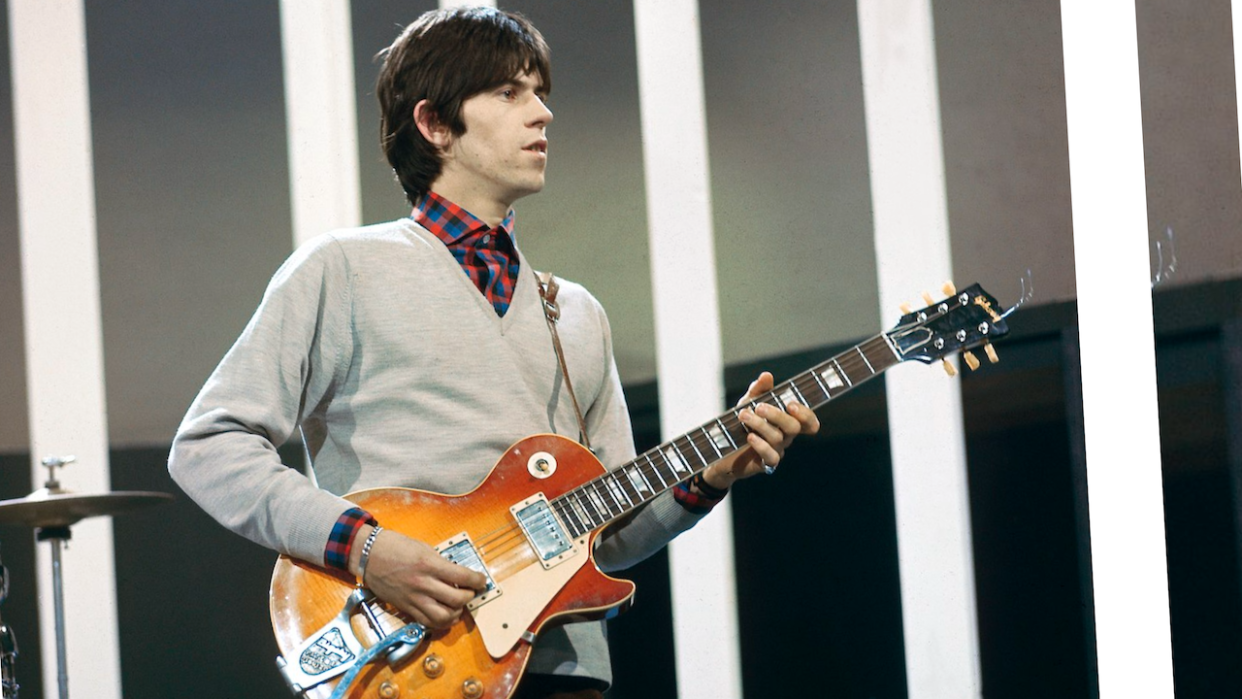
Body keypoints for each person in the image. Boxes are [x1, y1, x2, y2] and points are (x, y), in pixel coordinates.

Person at [168, 7, 819, 699]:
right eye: (510, 93)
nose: (541, 114)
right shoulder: (342, 269)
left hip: (564, 670)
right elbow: (208, 445)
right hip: (411, 662)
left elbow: (613, 536)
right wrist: (365, 546)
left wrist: (709, 475)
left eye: (540, 93)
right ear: (435, 124)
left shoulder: (577, 313)